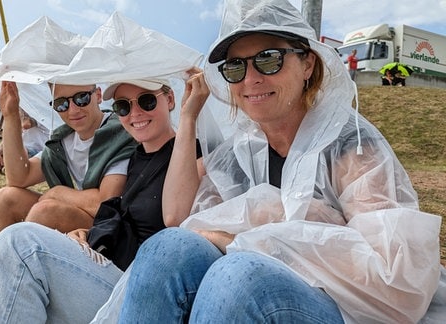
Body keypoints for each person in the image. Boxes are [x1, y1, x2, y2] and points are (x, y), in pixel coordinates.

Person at [117, 0, 442, 323]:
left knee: (239, 276)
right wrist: (188, 117)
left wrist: (251, 237)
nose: (250, 79)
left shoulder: (350, 149)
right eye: (235, 67)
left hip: (348, 312)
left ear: (308, 65)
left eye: (268, 59)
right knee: (169, 249)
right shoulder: (240, 155)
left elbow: (397, 285)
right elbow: (177, 218)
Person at [0, 77, 209, 323]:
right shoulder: (138, 154)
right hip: (105, 261)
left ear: (171, 99)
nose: (135, 113)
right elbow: (117, 216)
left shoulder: (189, 153)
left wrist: (189, 116)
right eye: (124, 107)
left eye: (146, 101)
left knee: (23, 242)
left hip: (133, 290)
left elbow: (173, 217)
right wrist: (91, 234)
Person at [0, 81, 137, 246]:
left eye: (81, 98)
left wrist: (57, 193)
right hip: (88, 214)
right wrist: (11, 116)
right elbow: (19, 178)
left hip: (115, 225)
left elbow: (104, 203)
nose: (73, 109)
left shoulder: (118, 133)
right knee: (6, 198)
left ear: (97, 95)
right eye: (62, 104)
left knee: (45, 211)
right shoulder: (65, 138)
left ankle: (20, 265)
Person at [0, 108, 49, 173]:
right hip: (18, 151)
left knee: (21, 151)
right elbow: (8, 135)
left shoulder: (39, 114)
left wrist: (20, 109)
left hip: (36, 152)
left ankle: (5, 167)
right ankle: (5, 166)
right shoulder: (19, 117)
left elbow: (26, 124)